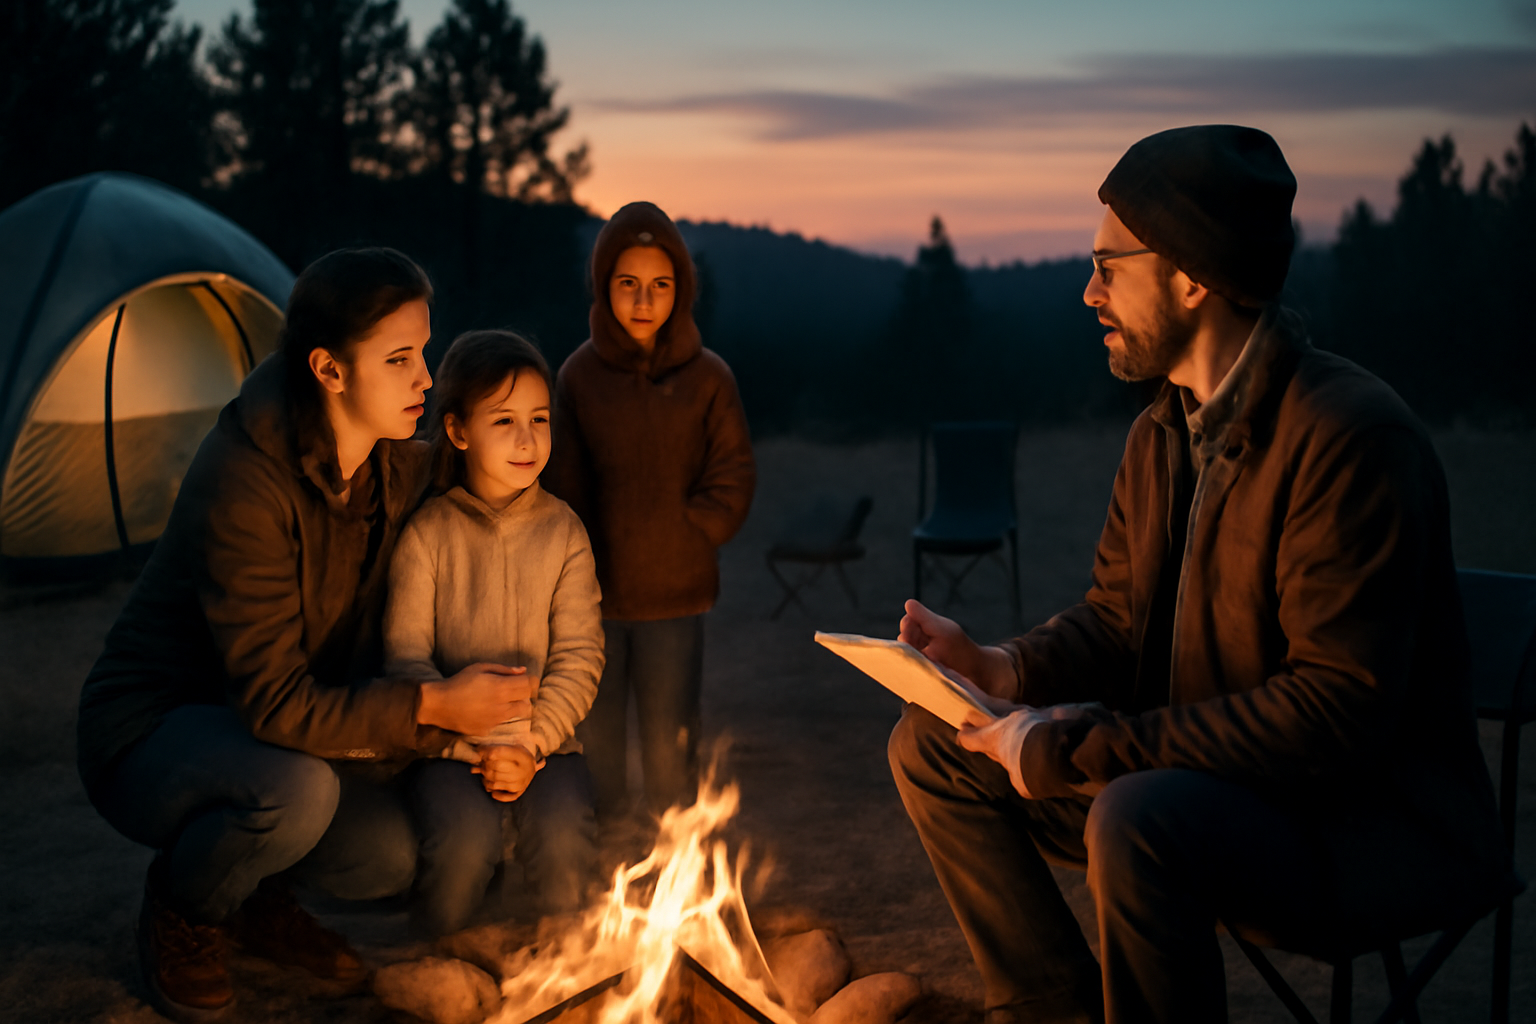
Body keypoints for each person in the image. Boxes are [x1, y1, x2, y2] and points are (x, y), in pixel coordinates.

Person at [886, 125, 1521, 1024]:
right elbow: (1115, 620)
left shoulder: (1350, 441)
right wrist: (1003, 671)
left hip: (1355, 822)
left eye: (1109, 266)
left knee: (1135, 818)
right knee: (934, 746)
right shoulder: (1161, 433)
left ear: (1191, 274)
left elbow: (1332, 713)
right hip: (1197, 780)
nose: (1088, 291)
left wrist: (1080, 746)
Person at [76, 248, 535, 1023]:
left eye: (424, 352)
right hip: (155, 732)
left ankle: (252, 896)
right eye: (398, 359)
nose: (424, 378)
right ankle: (184, 907)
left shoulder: (390, 464)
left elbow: (489, 470)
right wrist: (434, 707)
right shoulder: (244, 482)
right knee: (297, 792)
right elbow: (276, 705)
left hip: (273, 734)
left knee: (388, 854)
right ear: (329, 370)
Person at [382, 329, 603, 936]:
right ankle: (445, 960)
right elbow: (405, 660)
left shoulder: (564, 533)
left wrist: (530, 744)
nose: (528, 439)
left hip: (547, 744)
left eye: (539, 418)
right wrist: (469, 746)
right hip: (447, 749)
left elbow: (580, 657)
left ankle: (564, 977)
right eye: (503, 420)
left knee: (565, 845)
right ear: (458, 431)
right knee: (459, 850)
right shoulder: (429, 534)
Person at [543, 201, 755, 820]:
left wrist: (693, 532)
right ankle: (608, 867)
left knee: (670, 743)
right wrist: (572, 570)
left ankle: (670, 867)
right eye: (627, 285)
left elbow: (733, 471)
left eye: (660, 286)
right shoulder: (579, 377)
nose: (643, 301)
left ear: (681, 291)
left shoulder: (708, 378)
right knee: (599, 741)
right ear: (604, 286)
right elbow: (562, 485)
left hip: (676, 596)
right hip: (595, 602)